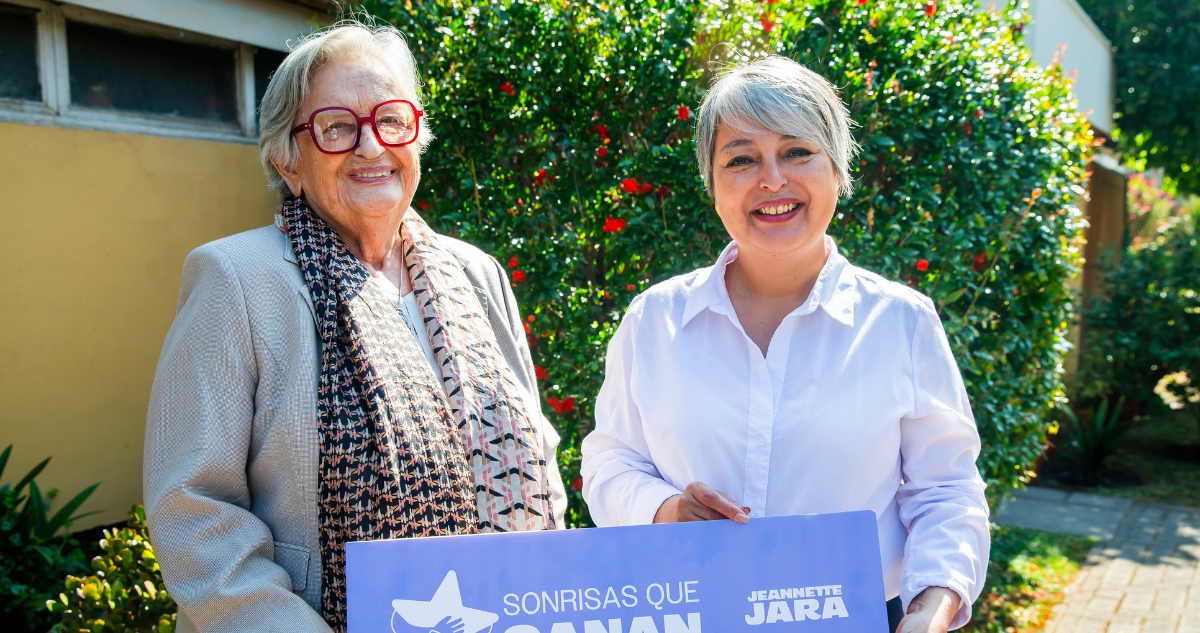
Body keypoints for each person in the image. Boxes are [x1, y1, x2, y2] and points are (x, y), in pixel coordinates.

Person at [144, 21, 566, 633]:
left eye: (390, 121)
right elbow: (194, 511)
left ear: (415, 139)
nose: (371, 147)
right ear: (288, 162)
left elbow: (538, 459)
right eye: (337, 127)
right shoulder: (235, 280)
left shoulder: (476, 273)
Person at [580, 56, 989, 633]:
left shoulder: (901, 322)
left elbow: (946, 491)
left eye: (798, 151)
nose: (771, 179)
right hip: (689, 616)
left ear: (838, 169)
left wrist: (932, 607)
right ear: (713, 184)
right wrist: (664, 510)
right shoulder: (655, 320)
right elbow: (609, 461)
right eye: (742, 159)